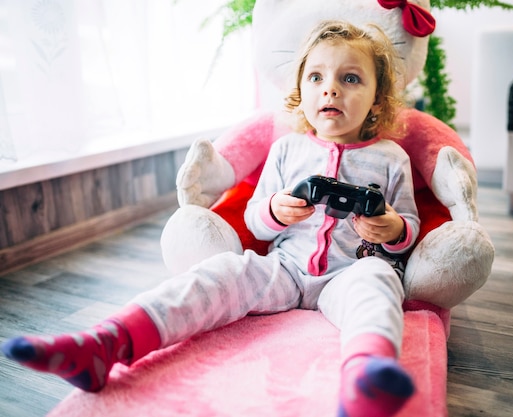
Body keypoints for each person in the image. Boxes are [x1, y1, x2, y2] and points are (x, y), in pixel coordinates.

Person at [2, 20, 421, 417]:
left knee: (379, 282)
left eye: (350, 78)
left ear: (376, 101)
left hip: (350, 273)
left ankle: (367, 377)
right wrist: (274, 211)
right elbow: (256, 222)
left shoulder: (390, 158)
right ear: (299, 91)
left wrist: (393, 228)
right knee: (218, 273)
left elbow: (409, 227)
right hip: (286, 270)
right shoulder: (286, 150)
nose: (330, 89)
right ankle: (107, 342)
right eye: (316, 78)